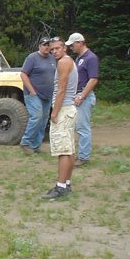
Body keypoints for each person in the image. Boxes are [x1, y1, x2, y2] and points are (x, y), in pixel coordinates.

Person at [42, 37, 78, 200]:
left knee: (63, 150)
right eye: (52, 49)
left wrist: (54, 112)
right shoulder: (68, 61)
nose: (54, 51)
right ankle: (66, 183)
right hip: (69, 108)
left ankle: (60, 187)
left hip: (64, 109)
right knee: (69, 149)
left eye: (57, 48)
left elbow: (62, 89)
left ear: (65, 48)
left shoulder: (63, 62)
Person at [66, 33, 99, 166]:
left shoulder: (91, 58)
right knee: (76, 126)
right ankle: (79, 154)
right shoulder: (80, 58)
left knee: (82, 127)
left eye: (72, 45)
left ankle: (84, 157)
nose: (71, 48)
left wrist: (82, 96)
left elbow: (93, 79)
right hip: (77, 95)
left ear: (79, 43)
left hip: (84, 96)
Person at [19, 37, 56, 154]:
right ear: (39, 46)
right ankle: (25, 142)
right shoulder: (32, 58)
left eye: (48, 45)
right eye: (44, 45)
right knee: (36, 117)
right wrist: (32, 91)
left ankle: (35, 146)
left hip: (47, 95)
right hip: (33, 94)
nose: (46, 47)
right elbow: (23, 74)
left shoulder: (52, 58)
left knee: (44, 120)